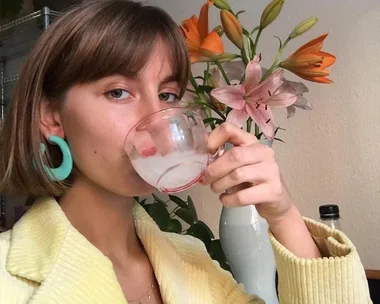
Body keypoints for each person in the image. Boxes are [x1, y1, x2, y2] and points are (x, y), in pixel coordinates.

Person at [0, 0, 372, 303]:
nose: (157, 119)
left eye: (166, 95)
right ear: (52, 119)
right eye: (118, 92)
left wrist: (283, 214)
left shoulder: (193, 260)